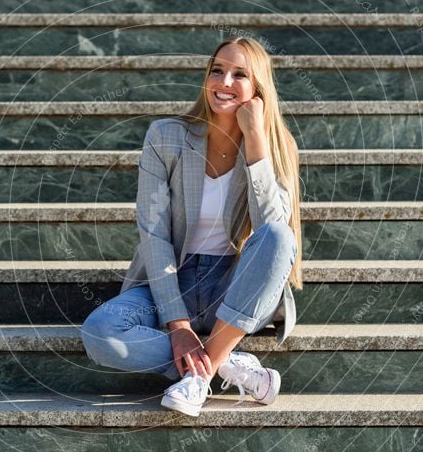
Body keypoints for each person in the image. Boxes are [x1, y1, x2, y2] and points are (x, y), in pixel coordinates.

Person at [81, 36, 302, 417]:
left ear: (258, 89)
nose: (224, 82)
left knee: (281, 235)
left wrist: (255, 141)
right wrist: (178, 324)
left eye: (239, 74)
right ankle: (225, 363)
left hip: (234, 289)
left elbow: (272, 234)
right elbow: (154, 233)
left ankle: (201, 375)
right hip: (169, 279)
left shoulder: (274, 146)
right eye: (217, 70)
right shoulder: (166, 137)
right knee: (100, 334)